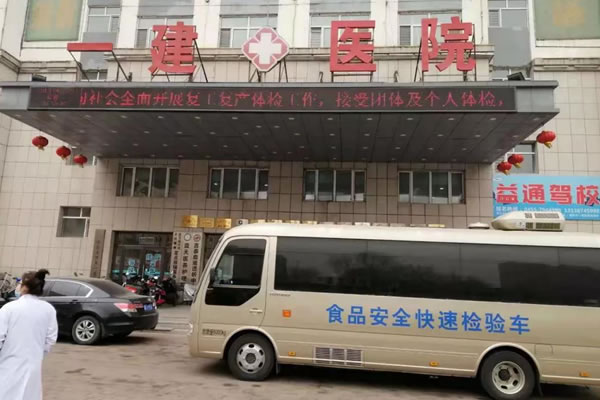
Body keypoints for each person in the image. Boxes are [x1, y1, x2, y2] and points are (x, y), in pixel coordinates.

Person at [0, 269, 58, 400]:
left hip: (8, 365)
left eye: (20, 283)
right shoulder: (48, 310)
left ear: (25, 287)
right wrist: (37, 354)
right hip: (33, 366)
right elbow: (50, 339)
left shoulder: (9, 308)